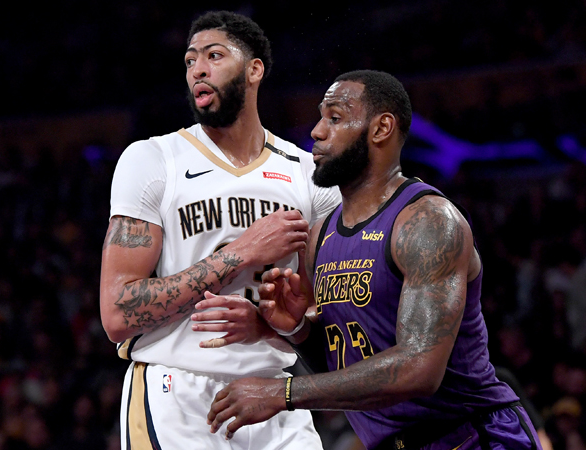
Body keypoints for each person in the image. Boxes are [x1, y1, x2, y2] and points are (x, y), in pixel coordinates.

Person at [193, 70, 544, 449]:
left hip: (473, 436)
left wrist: (284, 392)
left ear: (381, 128)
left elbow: (419, 369)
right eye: (320, 117)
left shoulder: (427, 222)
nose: (317, 131)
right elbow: (345, 370)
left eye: (335, 117)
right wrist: (295, 331)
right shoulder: (320, 236)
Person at [99, 10, 340, 450]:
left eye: (214, 56)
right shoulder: (153, 159)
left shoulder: (308, 174)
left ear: (254, 70)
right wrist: (241, 253)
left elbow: (329, 312)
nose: (198, 69)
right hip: (177, 389)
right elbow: (117, 314)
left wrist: (268, 328)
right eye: (190, 60)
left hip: (273, 390)